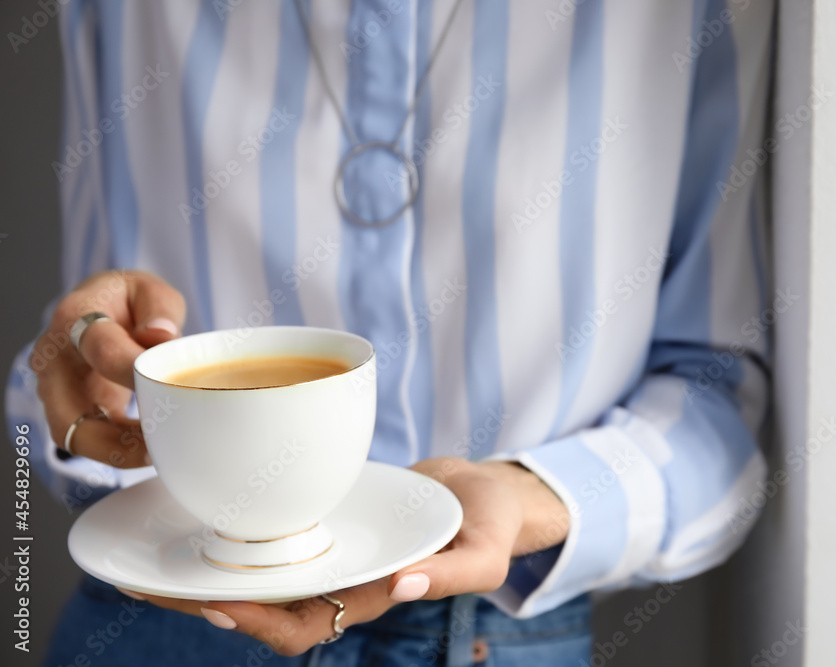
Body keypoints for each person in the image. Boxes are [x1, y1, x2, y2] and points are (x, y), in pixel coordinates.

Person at [6, 0, 775, 664]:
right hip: (160, 619)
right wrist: (80, 408)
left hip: (492, 631)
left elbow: (711, 383)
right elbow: (83, 341)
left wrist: (540, 497)